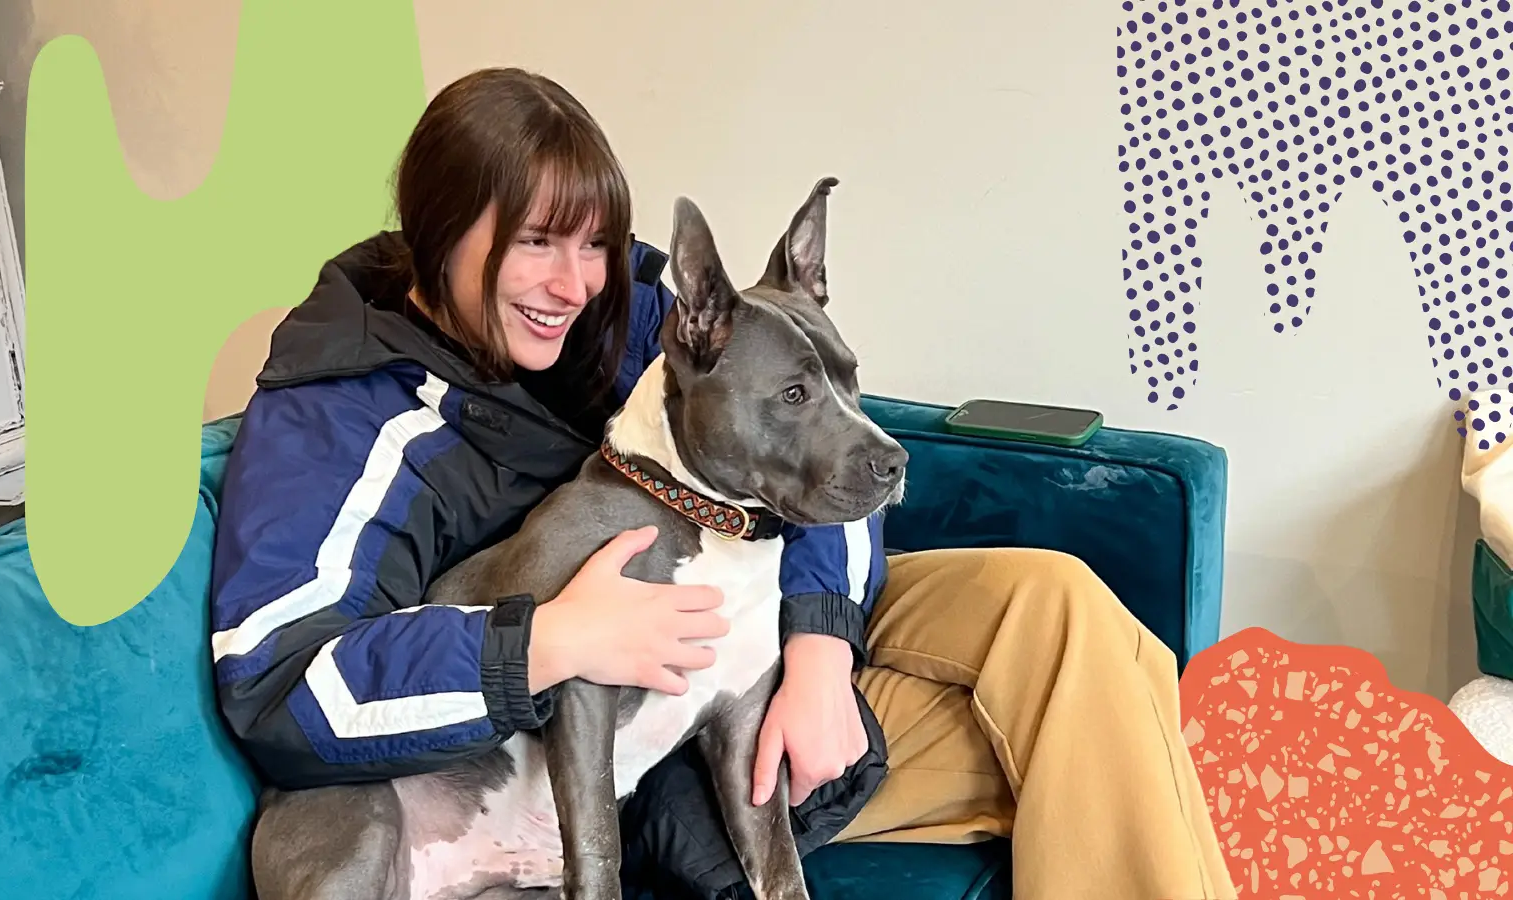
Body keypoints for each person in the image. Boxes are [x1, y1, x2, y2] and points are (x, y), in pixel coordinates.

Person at [207, 66, 1238, 900]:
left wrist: (822, 650)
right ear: (440, 235)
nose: (574, 286)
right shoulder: (331, 413)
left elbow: (804, 421)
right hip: (599, 747)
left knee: (1053, 608)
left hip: (753, 639)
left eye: (594, 245)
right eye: (534, 244)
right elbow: (279, 685)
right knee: (1094, 762)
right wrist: (547, 642)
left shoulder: (637, 309)